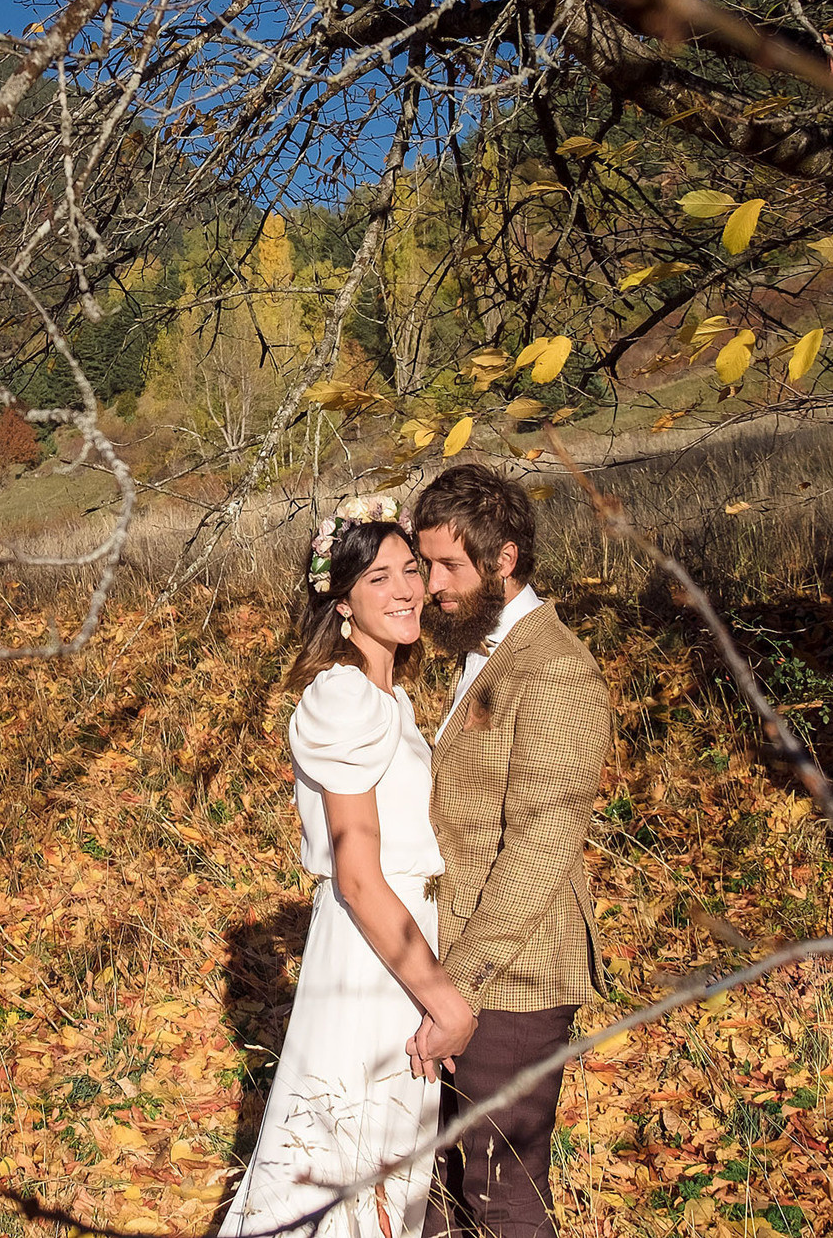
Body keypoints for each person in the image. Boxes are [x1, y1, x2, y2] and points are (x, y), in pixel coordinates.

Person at [220, 497, 479, 1238]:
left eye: (411, 570)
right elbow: (359, 874)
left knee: (385, 1164)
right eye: (378, 579)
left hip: (400, 939)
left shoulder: (386, 695)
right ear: (341, 604)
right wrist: (447, 1002)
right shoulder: (343, 697)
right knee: (348, 1159)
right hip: (373, 955)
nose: (405, 589)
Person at [409, 463, 613, 1238]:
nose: (433, 584)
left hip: (514, 976)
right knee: (436, 1193)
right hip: (458, 961)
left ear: (505, 559)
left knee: (503, 1195)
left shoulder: (555, 669)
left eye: (448, 565)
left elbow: (540, 847)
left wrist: (456, 987)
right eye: (427, 564)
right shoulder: (482, 648)